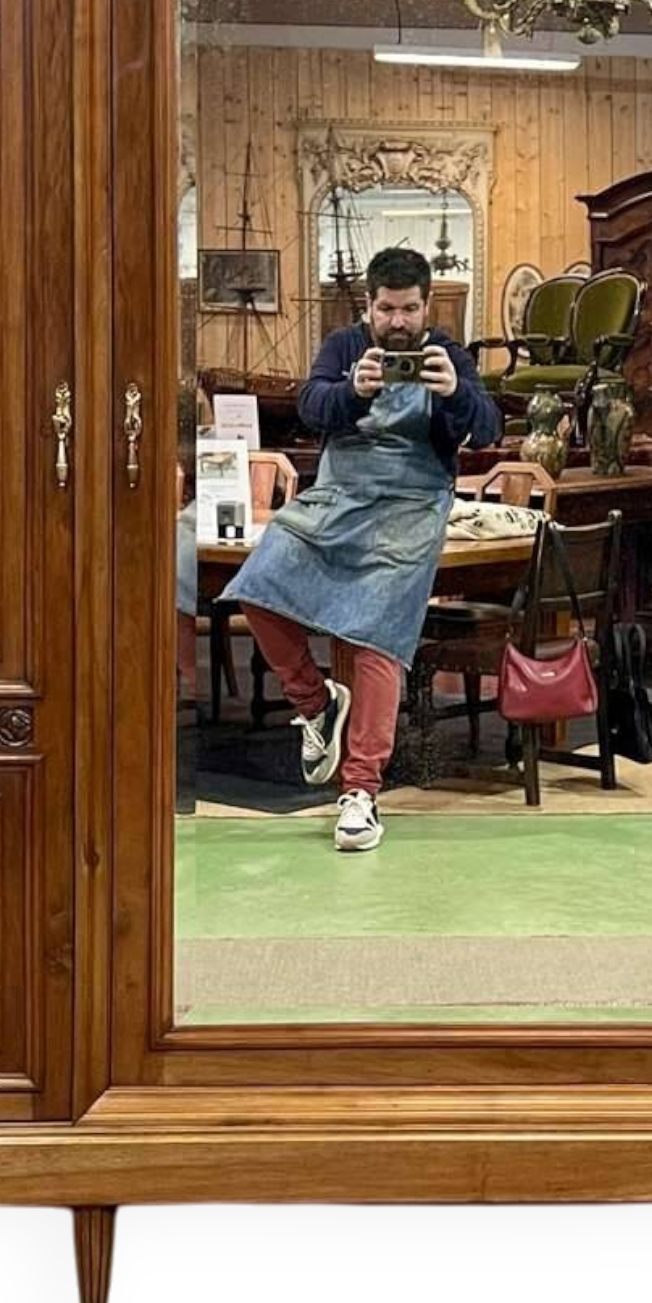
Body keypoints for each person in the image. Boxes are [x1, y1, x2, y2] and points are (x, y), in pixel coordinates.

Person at [224, 247, 501, 851]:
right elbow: (309, 407)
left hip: (411, 507)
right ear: (368, 306)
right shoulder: (344, 347)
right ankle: (316, 704)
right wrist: (351, 391)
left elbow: (488, 429)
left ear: (426, 307)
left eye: (407, 310)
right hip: (339, 498)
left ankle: (360, 792)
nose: (396, 322)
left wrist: (456, 393)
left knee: (378, 633)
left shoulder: (450, 356)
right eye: (385, 309)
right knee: (257, 585)